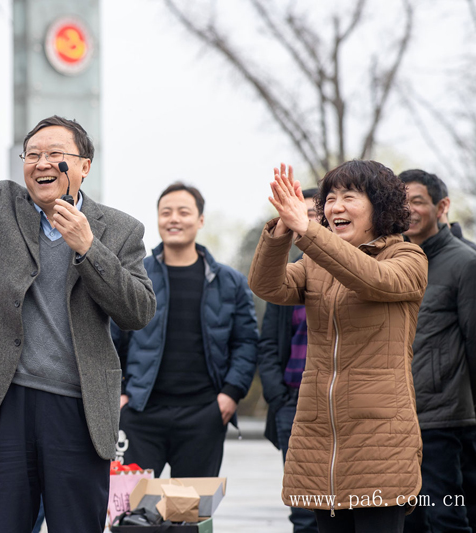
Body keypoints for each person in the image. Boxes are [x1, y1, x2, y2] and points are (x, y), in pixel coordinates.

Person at [0, 57, 155, 533]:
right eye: (31, 154)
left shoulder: (120, 230)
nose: (42, 163)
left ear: (84, 165)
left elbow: (138, 311)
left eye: (55, 153)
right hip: (7, 401)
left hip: (78, 409)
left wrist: (89, 248)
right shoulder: (0, 207)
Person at [248, 160, 428, 533]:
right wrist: (283, 232)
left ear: (380, 206)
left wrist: (308, 231)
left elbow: (371, 279)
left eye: (349, 196)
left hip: (380, 442)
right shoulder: (317, 263)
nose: (335, 207)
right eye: (330, 198)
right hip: (320, 438)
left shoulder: (407, 257)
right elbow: (268, 286)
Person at [111, 182, 258, 478]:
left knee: (190, 516)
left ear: (201, 220)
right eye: (166, 212)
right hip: (140, 414)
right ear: (157, 219)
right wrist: (119, 395)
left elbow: (246, 342)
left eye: (183, 212)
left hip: (203, 415)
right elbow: (112, 338)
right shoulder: (134, 276)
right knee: (132, 516)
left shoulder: (230, 282)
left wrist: (230, 394)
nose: (174, 219)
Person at [398, 169, 476, 533]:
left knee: (448, 513)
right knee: (412, 518)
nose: (409, 209)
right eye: (402, 201)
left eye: (418, 201)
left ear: (442, 207)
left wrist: (463, 400)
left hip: (444, 417)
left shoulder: (468, 264)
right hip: (400, 414)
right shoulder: (394, 261)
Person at [257, 187, 319, 533]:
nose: (305, 221)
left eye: (313, 214)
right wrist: (278, 397)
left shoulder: (353, 269)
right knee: (303, 511)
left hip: (337, 399)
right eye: (300, 215)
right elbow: (268, 343)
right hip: (293, 402)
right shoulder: (290, 273)